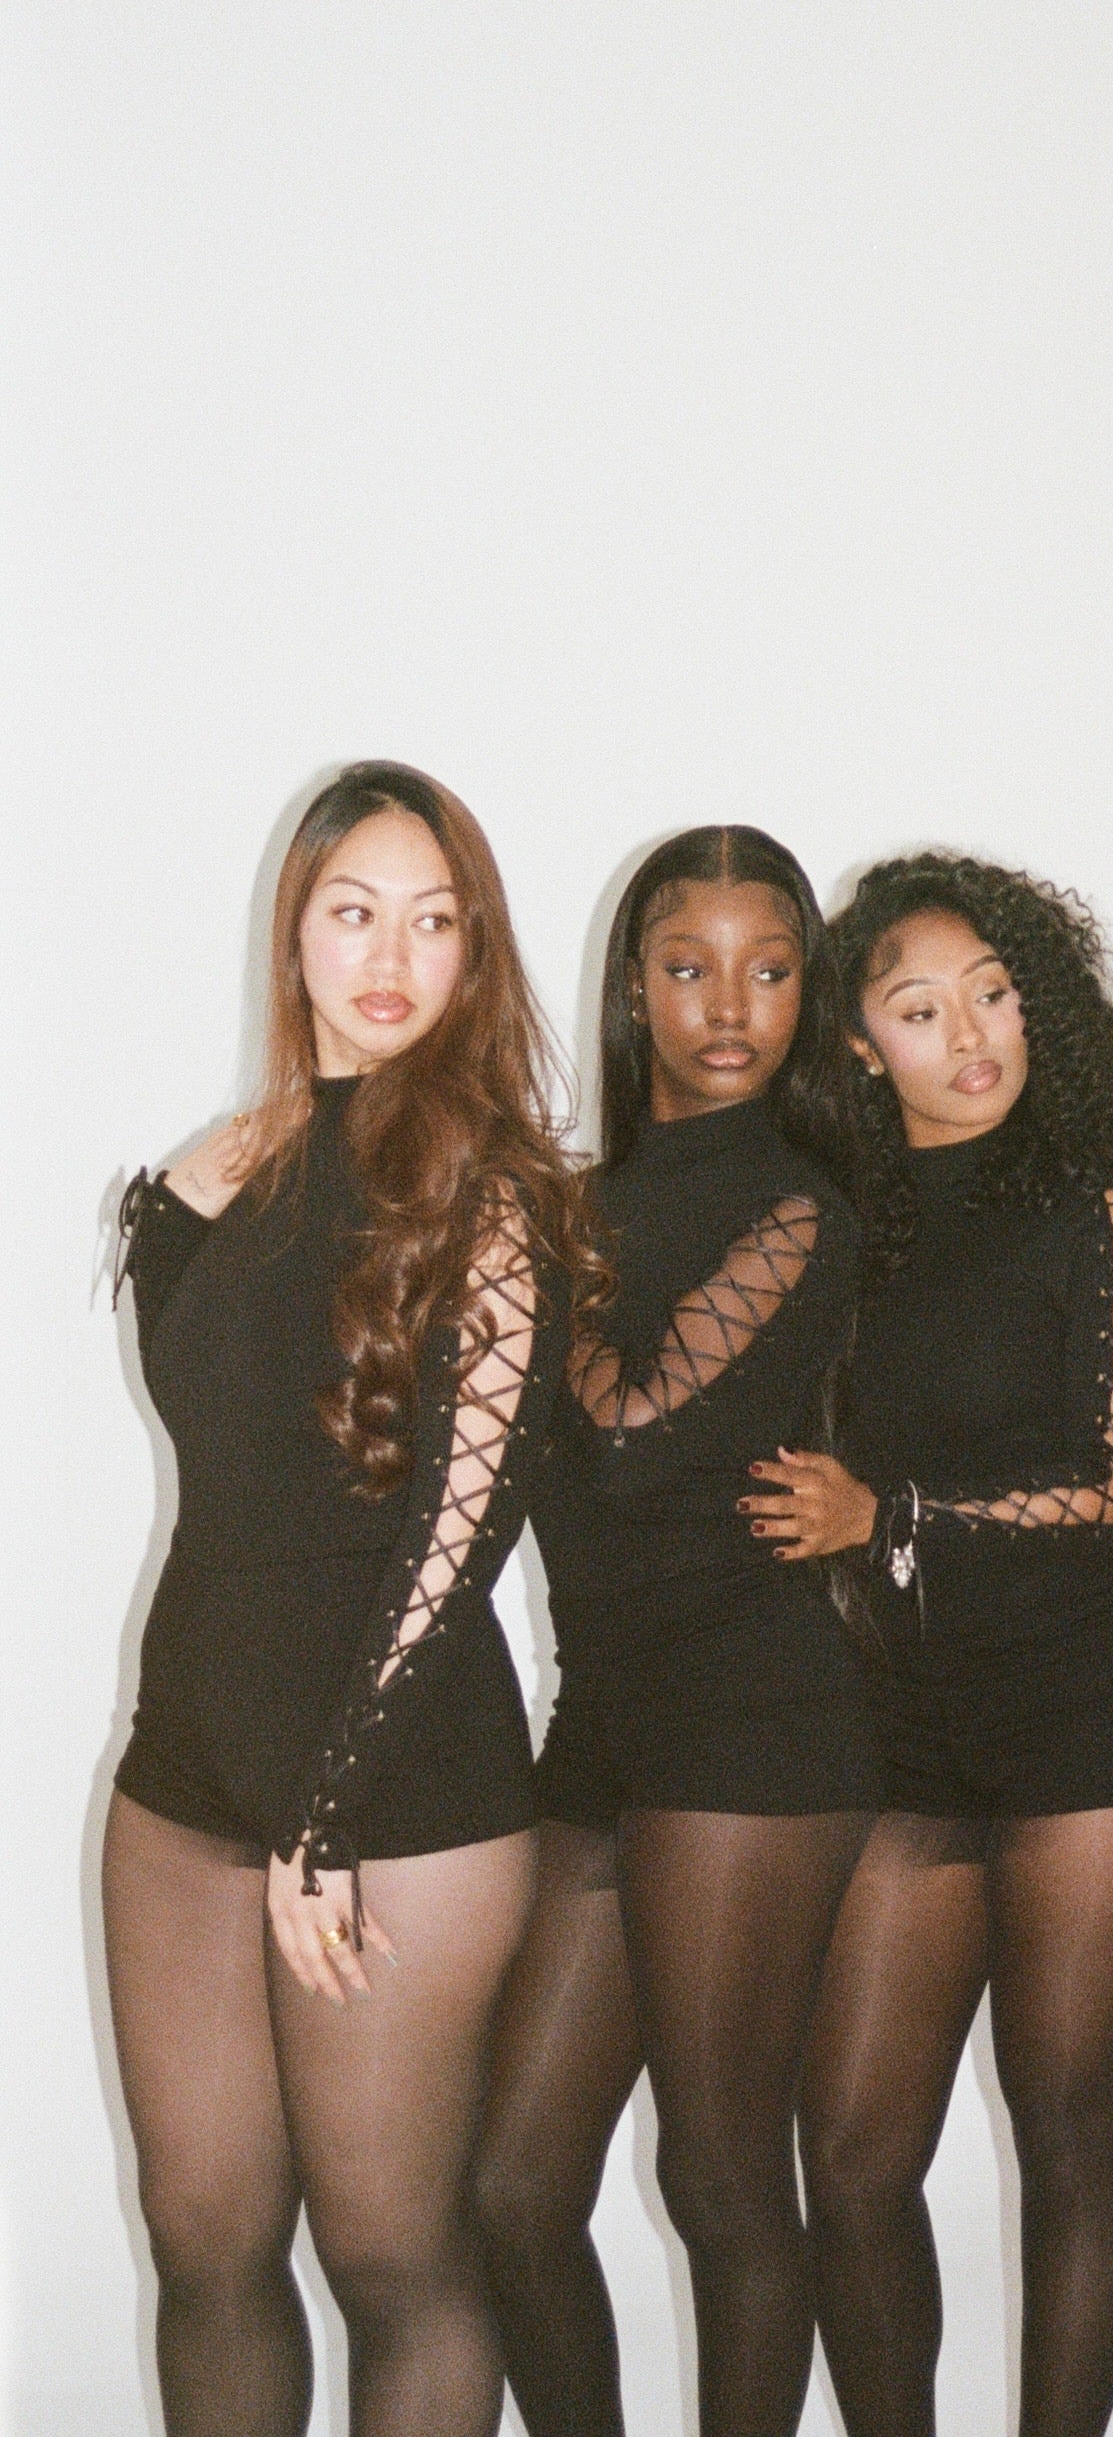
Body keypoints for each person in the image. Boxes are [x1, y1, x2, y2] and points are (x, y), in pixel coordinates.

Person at [105, 760, 588, 2437]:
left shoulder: (493, 1190)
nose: (391, 953)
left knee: (393, 2258)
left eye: (435, 920)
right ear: (295, 926)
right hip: (183, 1776)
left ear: (478, 953)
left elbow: (461, 1536)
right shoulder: (215, 1169)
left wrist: (328, 1812)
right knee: (207, 2243)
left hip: (399, 1801)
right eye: (353, 909)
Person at [742, 853, 1113, 2437]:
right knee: (854, 2147)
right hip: (907, 1728)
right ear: (860, 1043)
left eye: (993, 996)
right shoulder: (833, 1227)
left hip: (1093, 1721)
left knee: (1076, 2133)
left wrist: (893, 1514)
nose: (972, 1036)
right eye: (922, 1010)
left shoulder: (1098, 1211)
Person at [475, 825, 875, 2437]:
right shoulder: (571, 1207)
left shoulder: (798, 1209)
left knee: (719, 2175)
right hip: (609, 1721)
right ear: (635, 985)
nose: (731, 1003)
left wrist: (542, 1248)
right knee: (509, 2190)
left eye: (771, 969)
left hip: (756, 1720)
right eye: (691, 966)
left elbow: (630, 1425)